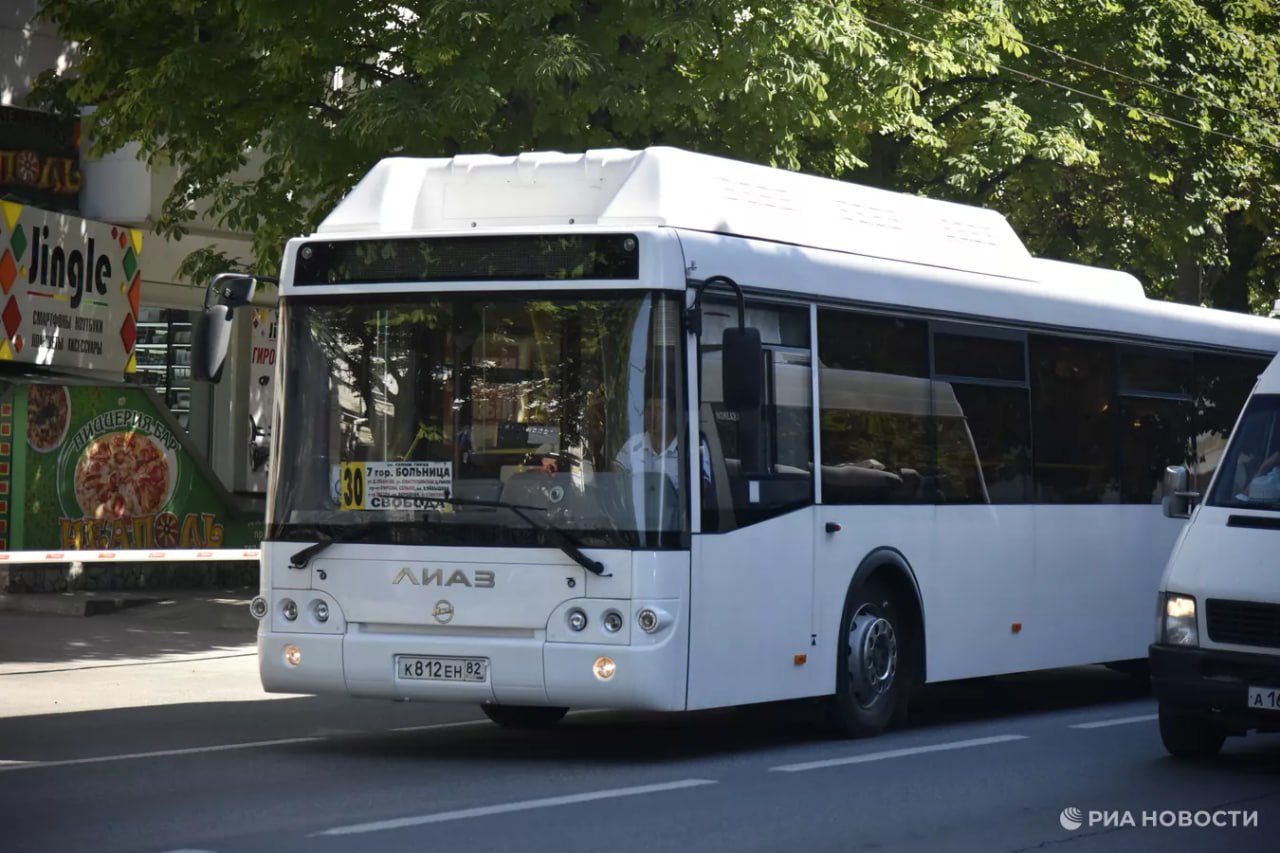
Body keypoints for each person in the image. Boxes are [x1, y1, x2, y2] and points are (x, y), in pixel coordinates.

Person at [614, 391, 713, 497]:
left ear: (672, 415)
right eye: (648, 409)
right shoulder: (634, 443)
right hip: (638, 511)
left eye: (658, 410)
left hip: (676, 512)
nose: (651, 416)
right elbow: (616, 473)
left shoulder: (692, 446)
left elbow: (702, 489)